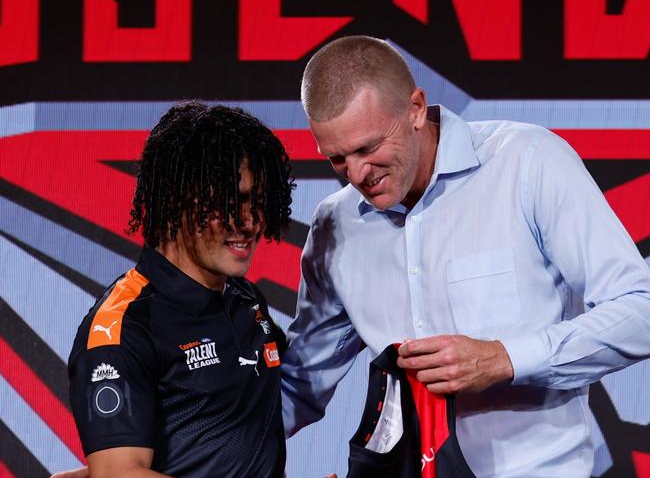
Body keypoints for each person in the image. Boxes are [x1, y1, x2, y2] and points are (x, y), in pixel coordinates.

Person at [280, 35, 650, 477]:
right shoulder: (335, 224)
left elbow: (640, 311)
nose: (357, 173)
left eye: (368, 148)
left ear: (416, 108)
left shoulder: (526, 164)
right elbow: (299, 386)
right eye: (336, 158)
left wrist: (506, 358)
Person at [66, 101, 294, 477]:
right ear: (175, 200)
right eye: (229, 202)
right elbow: (119, 475)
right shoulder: (123, 328)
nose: (250, 221)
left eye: (257, 201)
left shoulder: (245, 299)